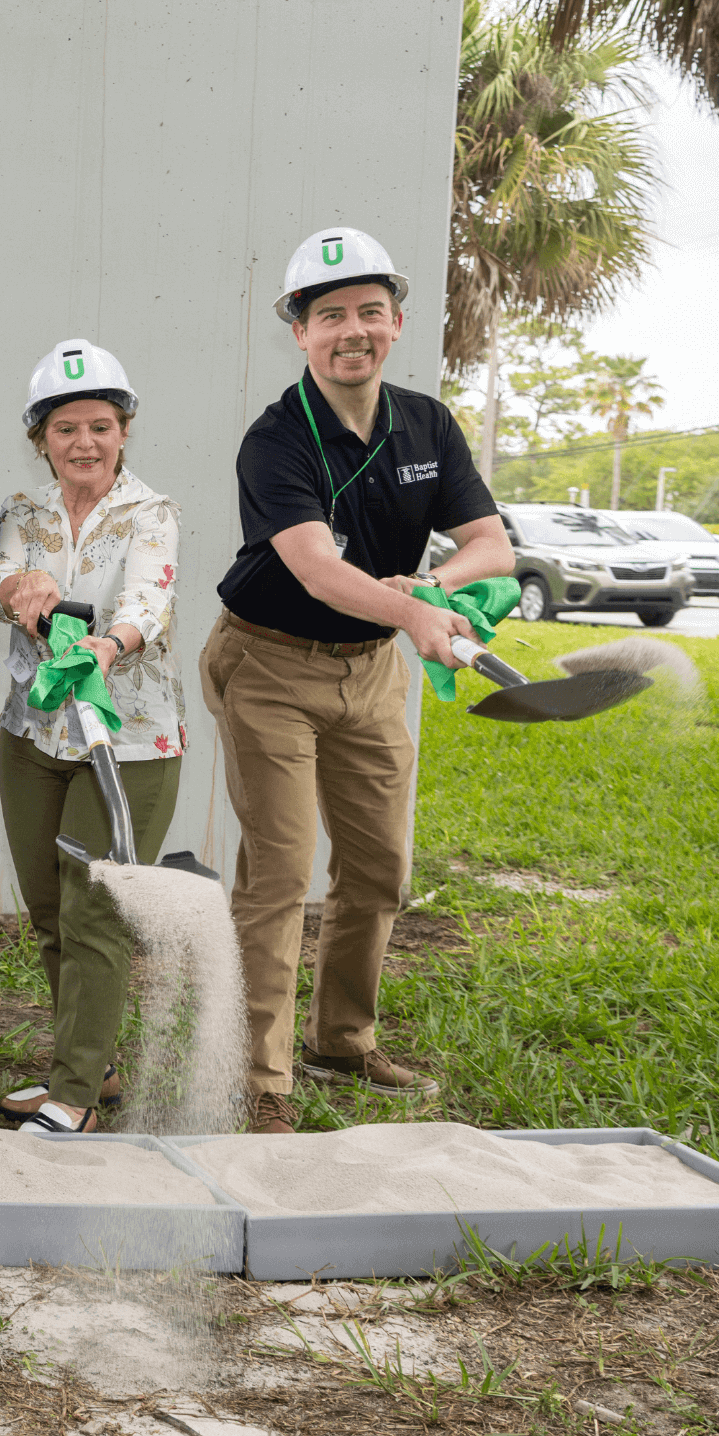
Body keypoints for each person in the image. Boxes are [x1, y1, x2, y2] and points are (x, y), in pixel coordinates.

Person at [204, 226, 510, 1134]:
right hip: (267, 662)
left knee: (379, 866)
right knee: (282, 870)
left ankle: (342, 1038)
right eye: (330, 314)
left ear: (398, 323)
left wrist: (431, 587)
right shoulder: (275, 438)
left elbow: (490, 543)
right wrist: (413, 614)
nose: (352, 330)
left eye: (369, 313)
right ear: (299, 331)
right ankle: (260, 1081)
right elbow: (313, 569)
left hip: (369, 670)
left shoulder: (426, 422)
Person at [0, 339, 187, 1134]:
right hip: (31, 734)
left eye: (100, 425)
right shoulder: (24, 512)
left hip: (125, 743)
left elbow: (148, 603)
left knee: (95, 913)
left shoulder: (151, 513)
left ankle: (71, 1096)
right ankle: (95, 1063)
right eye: (66, 429)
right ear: (41, 439)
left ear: (124, 429)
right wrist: (17, 586)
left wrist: (109, 643)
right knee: (51, 909)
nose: (84, 443)